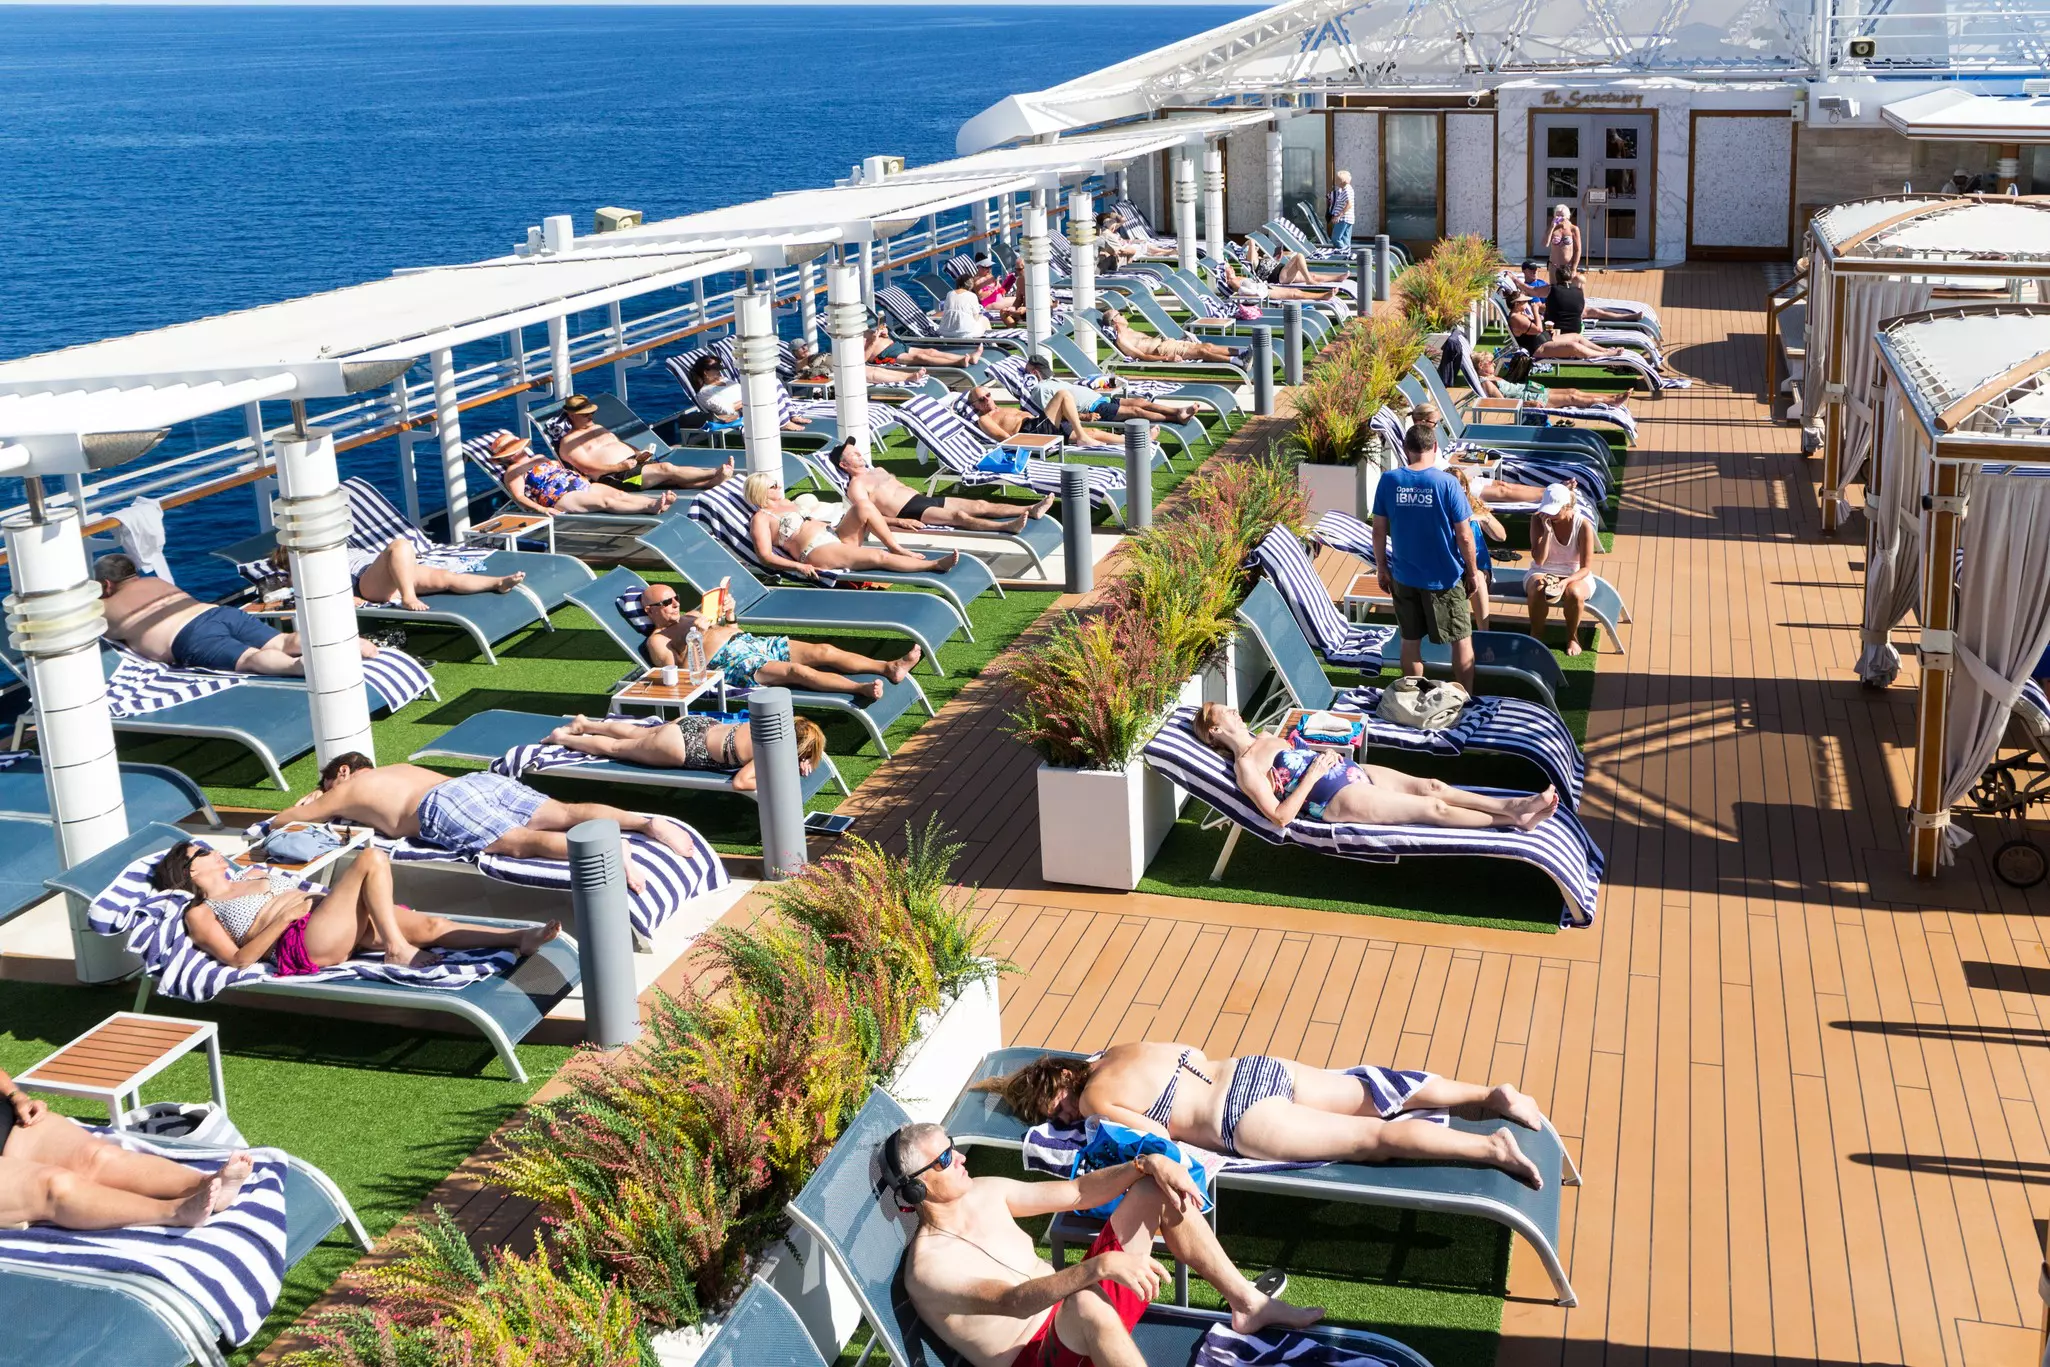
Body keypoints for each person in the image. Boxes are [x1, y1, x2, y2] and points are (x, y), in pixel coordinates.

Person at [892, 1120, 1325, 1367]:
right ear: (916, 1190)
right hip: (1039, 1355)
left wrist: (1146, 1164)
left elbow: (1078, 1192)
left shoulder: (983, 1191)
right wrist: (1099, 1268)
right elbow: (1013, 1302)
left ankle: (1248, 1305)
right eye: (946, 1159)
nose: (961, 1157)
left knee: (1154, 1190)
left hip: (1079, 1317)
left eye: (954, 1147)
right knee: (1084, 1303)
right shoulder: (929, 1270)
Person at [971, 1038, 1551, 1181]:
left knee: (1374, 1139)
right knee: (1374, 1090)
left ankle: (1491, 1148)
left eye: (1060, 1109)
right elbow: (1191, 1053)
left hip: (1239, 1120)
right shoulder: (1122, 1049)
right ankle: (1486, 1097)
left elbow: (1154, 1139)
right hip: (1253, 1069)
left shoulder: (1096, 1098)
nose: (1069, 1118)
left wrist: (1096, 1135)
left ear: (1066, 1084)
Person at [275, 754, 699, 894]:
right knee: (567, 812)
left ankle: (611, 849)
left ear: (344, 772)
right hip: (476, 782)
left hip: (439, 805)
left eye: (327, 781)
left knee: (517, 842)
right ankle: (645, 824)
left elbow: (281, 821)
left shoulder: (344, 789)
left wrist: (313, 801)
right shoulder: (400, 766)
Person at [150, 840, 557, 972]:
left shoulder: (249, 874)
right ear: (187, 870)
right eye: (201, 850)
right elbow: (238, 961)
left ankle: (518, 938)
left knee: (431, 926)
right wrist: (285, 920)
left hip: (325, 917)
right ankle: (397, 950)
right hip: (302, 940)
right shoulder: (200, 912)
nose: (212, 849)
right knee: (371, 857)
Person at [1192, 701, 1558, 834]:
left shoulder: (1268, 736)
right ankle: (1515, 818)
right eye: (1227, 711)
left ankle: (1513, 807)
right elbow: (1281, 817)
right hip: (1334, 797)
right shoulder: (1246, 768)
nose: (1235, 711)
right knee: (1433, 809)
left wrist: (1324, 756)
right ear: (1216, 729)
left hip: (1345, 773)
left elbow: (1300, 757)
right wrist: (1315, 774)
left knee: (1433, 786)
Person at [0, 1068, 251, 1231]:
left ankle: (206, 1183)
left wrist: (15, 1095)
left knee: (97, 1156)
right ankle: (176, 1212)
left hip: (10, 1123)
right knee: (54, 1185)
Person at [94, 553, 379, 677]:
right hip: (217, 612)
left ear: (106, 584)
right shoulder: (156, 582)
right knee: (283, 641)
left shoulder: (105, 607)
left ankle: (301, 667)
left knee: (250, 659)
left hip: (190, 636)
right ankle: (346, 643)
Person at [636, 580, 923, 702]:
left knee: (823, 650)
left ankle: (889, 667)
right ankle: (859, 688)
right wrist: (695, 637)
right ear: (650, 611)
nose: (675, 604)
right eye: (666, 602)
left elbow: (732, 630)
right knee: (797, 673)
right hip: (733, 664)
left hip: (750, 643)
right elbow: (686, 678)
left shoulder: (688, 615)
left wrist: (731, 614)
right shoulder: (658, 641)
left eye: (675, 598)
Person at [1371, 424, 1483, 693]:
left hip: (1404, 576)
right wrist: (1472, 571)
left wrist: (1382, 569)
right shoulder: (1447, 483)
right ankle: (1463, 698)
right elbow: (1465, 536)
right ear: (1434, 447)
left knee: (1410, 641)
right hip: (1444, 578)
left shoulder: (1389, 481)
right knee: (1461, 640)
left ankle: (1414, 697)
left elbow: (1378, 530)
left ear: (1407, 450)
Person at [741, 472, 960, 577]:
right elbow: (765, 556)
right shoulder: (761, 518)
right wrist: (798, 566)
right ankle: (934, 565)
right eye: (774, 485)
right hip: (816, 551)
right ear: (761, 491)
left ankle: (896, 547)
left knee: (863, 506)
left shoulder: (788, 503)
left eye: (778, 483)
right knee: (877, 556)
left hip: (833, 536)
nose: (780, 486)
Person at [544, 713, 826, 791]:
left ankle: (587, 723)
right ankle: (565, 738)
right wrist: (784, 774)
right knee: (619, 748)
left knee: (637, 733)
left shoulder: (766, 721)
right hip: (684, 747)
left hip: (695, 724)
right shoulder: (769, 751)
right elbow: (742, 782)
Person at [830, 438, 1053, 531]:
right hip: (910, 511)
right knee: (960, 518)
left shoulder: (877, 470)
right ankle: (1007, 527)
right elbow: (867, 514)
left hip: (922, 500)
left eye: (857, 450)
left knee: (980, 504)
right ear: (843, 464)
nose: (858, 453)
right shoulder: (856, 486)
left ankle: (1030, 509)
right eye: (852, 454)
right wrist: (900, 521)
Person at [265, 539, 525, 615]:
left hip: (392, 572)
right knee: (400, 545)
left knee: (446, 577)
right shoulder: (305, 570)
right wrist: (346, 600)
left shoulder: (338, 548)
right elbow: (310, 592)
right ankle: (407, 597)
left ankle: (497, 582)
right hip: (368, 581)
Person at [555, 393, 730, 489]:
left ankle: (711, 482)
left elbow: (618, 444)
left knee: (669, 479)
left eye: (591, 412)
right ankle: (715, 472)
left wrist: (639, 453)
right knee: (666, 469)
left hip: (634, 465)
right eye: (586, 414)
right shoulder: (569, 442)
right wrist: (619, 467)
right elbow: (586, 467)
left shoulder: (597, 427)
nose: (591, 416)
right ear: (572, 415)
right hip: (616, 478)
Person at [487, 431, 678, 518]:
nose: (517, 452)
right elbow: (519, 497)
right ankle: (651, 507)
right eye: (512, 451)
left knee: (619, 495)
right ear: (506, 456)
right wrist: (542, 510)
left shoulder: (539, 457)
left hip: (578, 482)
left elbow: (561, 469)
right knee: (606, 503)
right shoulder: (512, 472)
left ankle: (653, 503)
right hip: (559, 497)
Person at [1524, 483, 1597, 656]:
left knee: (1575, 593)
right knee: (1538, 588)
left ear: (1567, 506)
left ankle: (1572, 636)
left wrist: (1565, 582)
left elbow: (1586, 568)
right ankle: (1537, 635)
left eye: (1555, 510)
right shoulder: (1538, 519)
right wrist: (1547, 532)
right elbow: (1540, 560)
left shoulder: (1583, 525)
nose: (1550, 514)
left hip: (1574, 573)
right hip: (1541, 569)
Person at [1022, 355, 1196, 428]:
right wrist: (1084, 417)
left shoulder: (1052, 381)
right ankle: (1175, 419)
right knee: (1136, 411)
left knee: (1141, 402)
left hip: (1099, 399)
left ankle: (1177, 411)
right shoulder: (1039, 389)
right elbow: (1053, 413)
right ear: (1035, 372)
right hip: (1092, 408)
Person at [965, 383, 1123, 451]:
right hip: (1030, 433)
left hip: (1038, 425)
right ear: (975, 405)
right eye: (981, 399)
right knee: (1062, 394)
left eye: (988, 395)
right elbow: (1005, 438)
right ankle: (1082, 437)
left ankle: (1133, 440)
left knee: (1094, 432)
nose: (987, 399)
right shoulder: (984, 419)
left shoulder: (1002, 408)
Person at [1472, 350, 1620, 411]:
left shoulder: (1491, 377)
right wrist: (1528, 404)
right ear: (1481, 365)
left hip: (1531, 388)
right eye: (1491, 362)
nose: (1494, 364)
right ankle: (1611, 402)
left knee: (1572, 391)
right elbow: (1503, 403)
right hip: (1529, 397)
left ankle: (1611, 397)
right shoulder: (1487, 383)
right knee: (1571, 398)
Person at [1098, 306, 1238, 365]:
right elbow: (1142, 356)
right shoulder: (1122, 340)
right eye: (1120, 314)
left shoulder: (1130, 330)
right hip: (1163, 350)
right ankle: (1237, 362)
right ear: (1115, 320)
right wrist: (1167, 358)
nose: (1123, 315)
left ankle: (1242, 352)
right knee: (1202, 351)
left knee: (1208, 346)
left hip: (1167, 343)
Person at [867, 320, 984, 371]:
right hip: (884, 355)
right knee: (921, 358)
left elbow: (880, 339)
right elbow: (863, 359)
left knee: (931, 351)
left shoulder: (862, 329)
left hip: (895, 345)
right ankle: (957, 362)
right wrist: (872, 342)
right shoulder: (849, 342)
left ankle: (968, 358)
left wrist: (884, 334)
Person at [938, 275, 992, 340]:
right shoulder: (972, 295)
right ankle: (993, 345)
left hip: (946, 331)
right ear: (970, 285)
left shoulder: (949, 294)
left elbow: (946, 311)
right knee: (984, 319)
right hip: (965, 332)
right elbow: (976, 317)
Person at [1544, 266, 1586, 336]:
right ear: (1570, 277)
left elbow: (1534, 291)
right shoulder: (1579, 291)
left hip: (1555, 330)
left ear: (1557, 277)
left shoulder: (1552, 289)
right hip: (1575, 329)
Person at [1545, 204, 1581, 279]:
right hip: (1554, 266)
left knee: (1567, 288)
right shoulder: (1552, 228)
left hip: (1567, 267)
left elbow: (1578, 250)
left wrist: (1574, 269)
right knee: (1554, 288)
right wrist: (1552, 227)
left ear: (1567, 217)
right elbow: (1545, 244)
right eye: (1557, 216)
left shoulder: (1573, 229)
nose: (1559, 218)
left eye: (1562, 216)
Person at [1327, 168, 1356, 251]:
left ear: (1343, 181)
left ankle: (1344, 252)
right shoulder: (1343, 190)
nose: (1335, 181)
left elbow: (1349, 204)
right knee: (1345, 240)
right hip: (1347, 219)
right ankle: (1345, 261)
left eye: (1337, 179)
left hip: (1344, 219)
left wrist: (1338, 216)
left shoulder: (1347, 190)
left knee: (1335, 239)